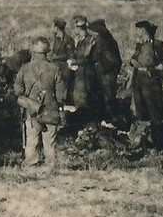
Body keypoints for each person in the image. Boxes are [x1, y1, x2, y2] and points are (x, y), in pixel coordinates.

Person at [14, 36, 67, 170]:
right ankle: (50, 167)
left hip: (31, 111)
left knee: (31, 140)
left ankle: (31, 166)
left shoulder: (24, 69)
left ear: (33, 51)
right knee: (49, 141)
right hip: (50, 110)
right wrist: (60, 109)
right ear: (47, 51)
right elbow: (61, 95)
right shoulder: (55, 69)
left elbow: (17, 90)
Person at [127, 20, 163, 128]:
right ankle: (144, 130)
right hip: (139, 77)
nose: (138, 32)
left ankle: (158, 128)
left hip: (152, 78)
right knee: (139, 103)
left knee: (152, 104)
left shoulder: (157, 45)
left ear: (145, 31)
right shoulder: (139, 45)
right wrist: (132, 61)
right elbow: (134, 59)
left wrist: (162, 66)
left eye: (140, 30)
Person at [88, 18, 123, 122]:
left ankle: (110, 120)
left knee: (108, 98)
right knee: (106, 97)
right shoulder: (106, 39)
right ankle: (107, 119)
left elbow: (113, 60)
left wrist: (103, 68)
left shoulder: (103, 41)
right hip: (105, 72)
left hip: (106, 73)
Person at [68, 15, 101, 121]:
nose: (74, 29)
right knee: (78, 98)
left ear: (79, 28)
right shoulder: (81, 40)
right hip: (80, 73)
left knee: (83, 99)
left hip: (85, 74)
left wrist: (74, 61)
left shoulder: (89, 41)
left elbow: (88, 58)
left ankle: (86, 123)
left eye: (75, 27)